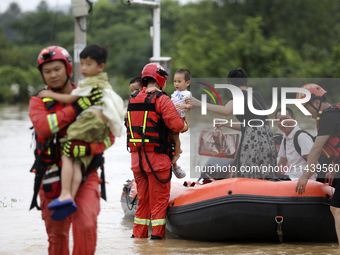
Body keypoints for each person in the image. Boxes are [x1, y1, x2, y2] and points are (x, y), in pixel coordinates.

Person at [29, 45, 115, 254]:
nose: (53, 75)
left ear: (67, 68)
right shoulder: (38, 101)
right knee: (57, 235)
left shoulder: (91, 94)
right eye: (47, 71)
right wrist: (76, 107)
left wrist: (87, 147)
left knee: (86, 225)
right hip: (50, 176)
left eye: (57, 69)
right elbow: (43, 128)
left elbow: (110, 136)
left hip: (86, 173)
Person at [37, 44, 124, 220]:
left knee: (67, 152)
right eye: (82, 64)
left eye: (88, 64)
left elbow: (70, 99)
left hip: (88, 125)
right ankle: (69, 197)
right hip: (97, 129)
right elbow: (43, 127)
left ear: (100, 67)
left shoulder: (88, 85)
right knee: (76, 162)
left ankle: (66, 193)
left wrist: (49, 94)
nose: (83, 68)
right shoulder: (102, 83)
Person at [125, 63, 188, 239]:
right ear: (161, 79)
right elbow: (177, 125)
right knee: (159, 202)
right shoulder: (161, 99)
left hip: (137, 160)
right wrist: (185, 124)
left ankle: (139, 239)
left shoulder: (133, 98)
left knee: (143, 200)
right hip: (157, 160)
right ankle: (158, 239)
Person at [189, 67, 276, 179]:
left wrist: (200, 103)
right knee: (261, 174)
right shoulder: (257, 95)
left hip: (252, 141)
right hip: (267, 140)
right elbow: (251, 125)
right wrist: (226, 124)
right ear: (247, 81)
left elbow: (226, 111)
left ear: (230, 84)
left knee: (244, 175)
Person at [295, 83, 340, 247]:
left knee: (337, 209)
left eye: (306, 109)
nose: (308, 114)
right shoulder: (334, 114)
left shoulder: (328, 116)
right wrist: (335, 165)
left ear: (316, 102)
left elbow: (315, 149)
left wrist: (304, 176)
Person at [275, 107, 317, 181]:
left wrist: (304, 179)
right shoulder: (285, 139)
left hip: (307, 180)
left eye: (286, 118)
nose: (283, 122)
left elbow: (315, 164)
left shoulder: (301, 137)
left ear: (294, 119)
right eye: (279, 120)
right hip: (293, 178)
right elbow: (282, 163)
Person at [169, 69, 192, 178]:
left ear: (187, 83)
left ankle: (177, 154)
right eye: (175, 81)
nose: (176, 84)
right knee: (170, 137)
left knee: (175, 136)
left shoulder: (187, 94)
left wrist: (185, 106)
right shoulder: (175, 93)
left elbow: (192, 106)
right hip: (171, 117)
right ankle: (178, 150)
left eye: (179, 81)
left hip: (179, 118)